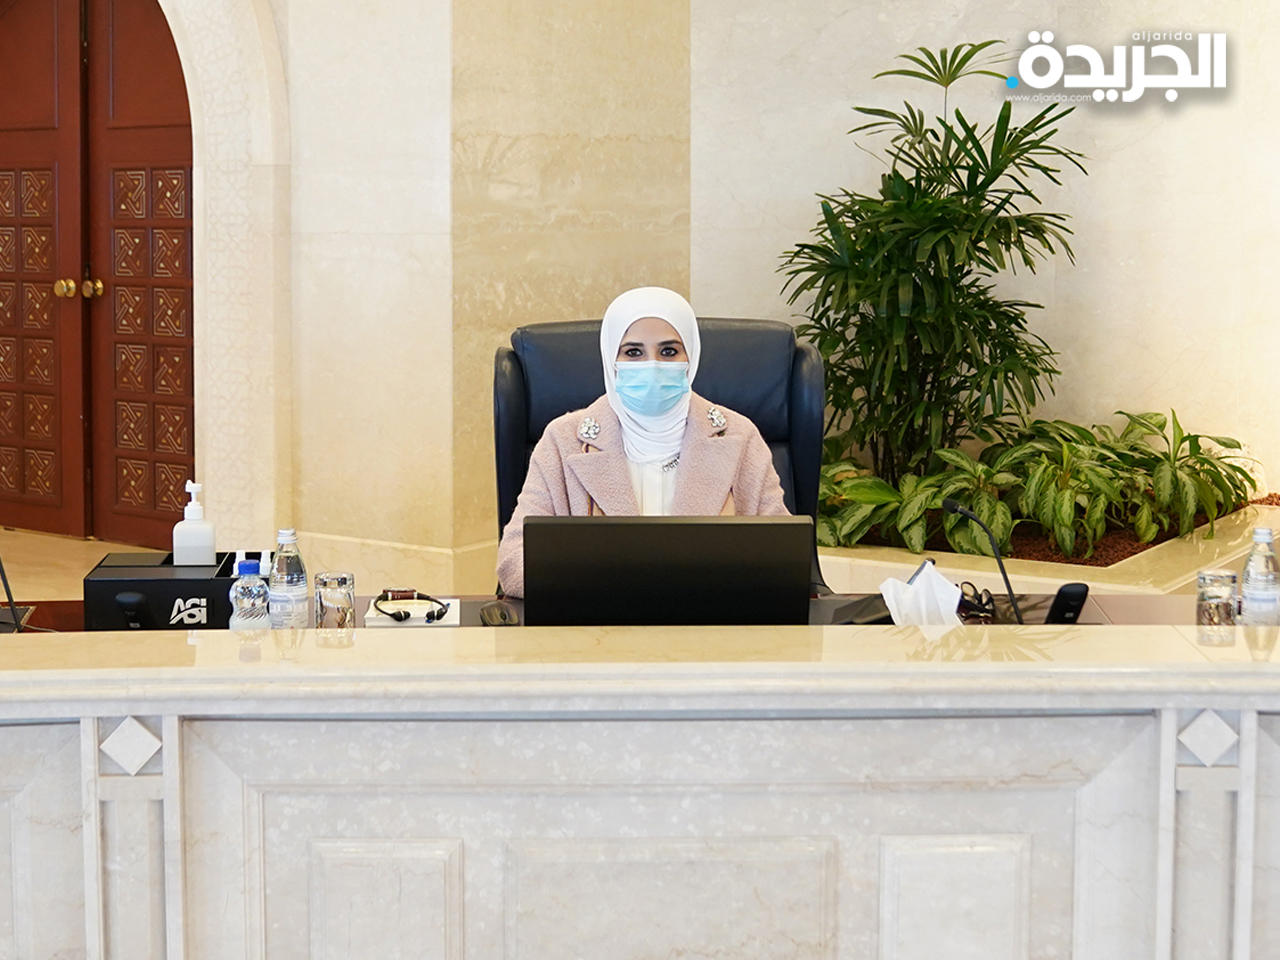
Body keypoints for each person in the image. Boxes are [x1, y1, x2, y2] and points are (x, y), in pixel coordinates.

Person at [496, 286, 789, 597]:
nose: (653, 365)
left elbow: (783, 556)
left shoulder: (740, 436)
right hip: (598, 619)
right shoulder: (563, 440)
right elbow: (515, 563)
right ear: (611, 358)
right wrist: (613, 586)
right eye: (633, 352)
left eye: (669, 351)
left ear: (691, 356)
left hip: (712, 618)